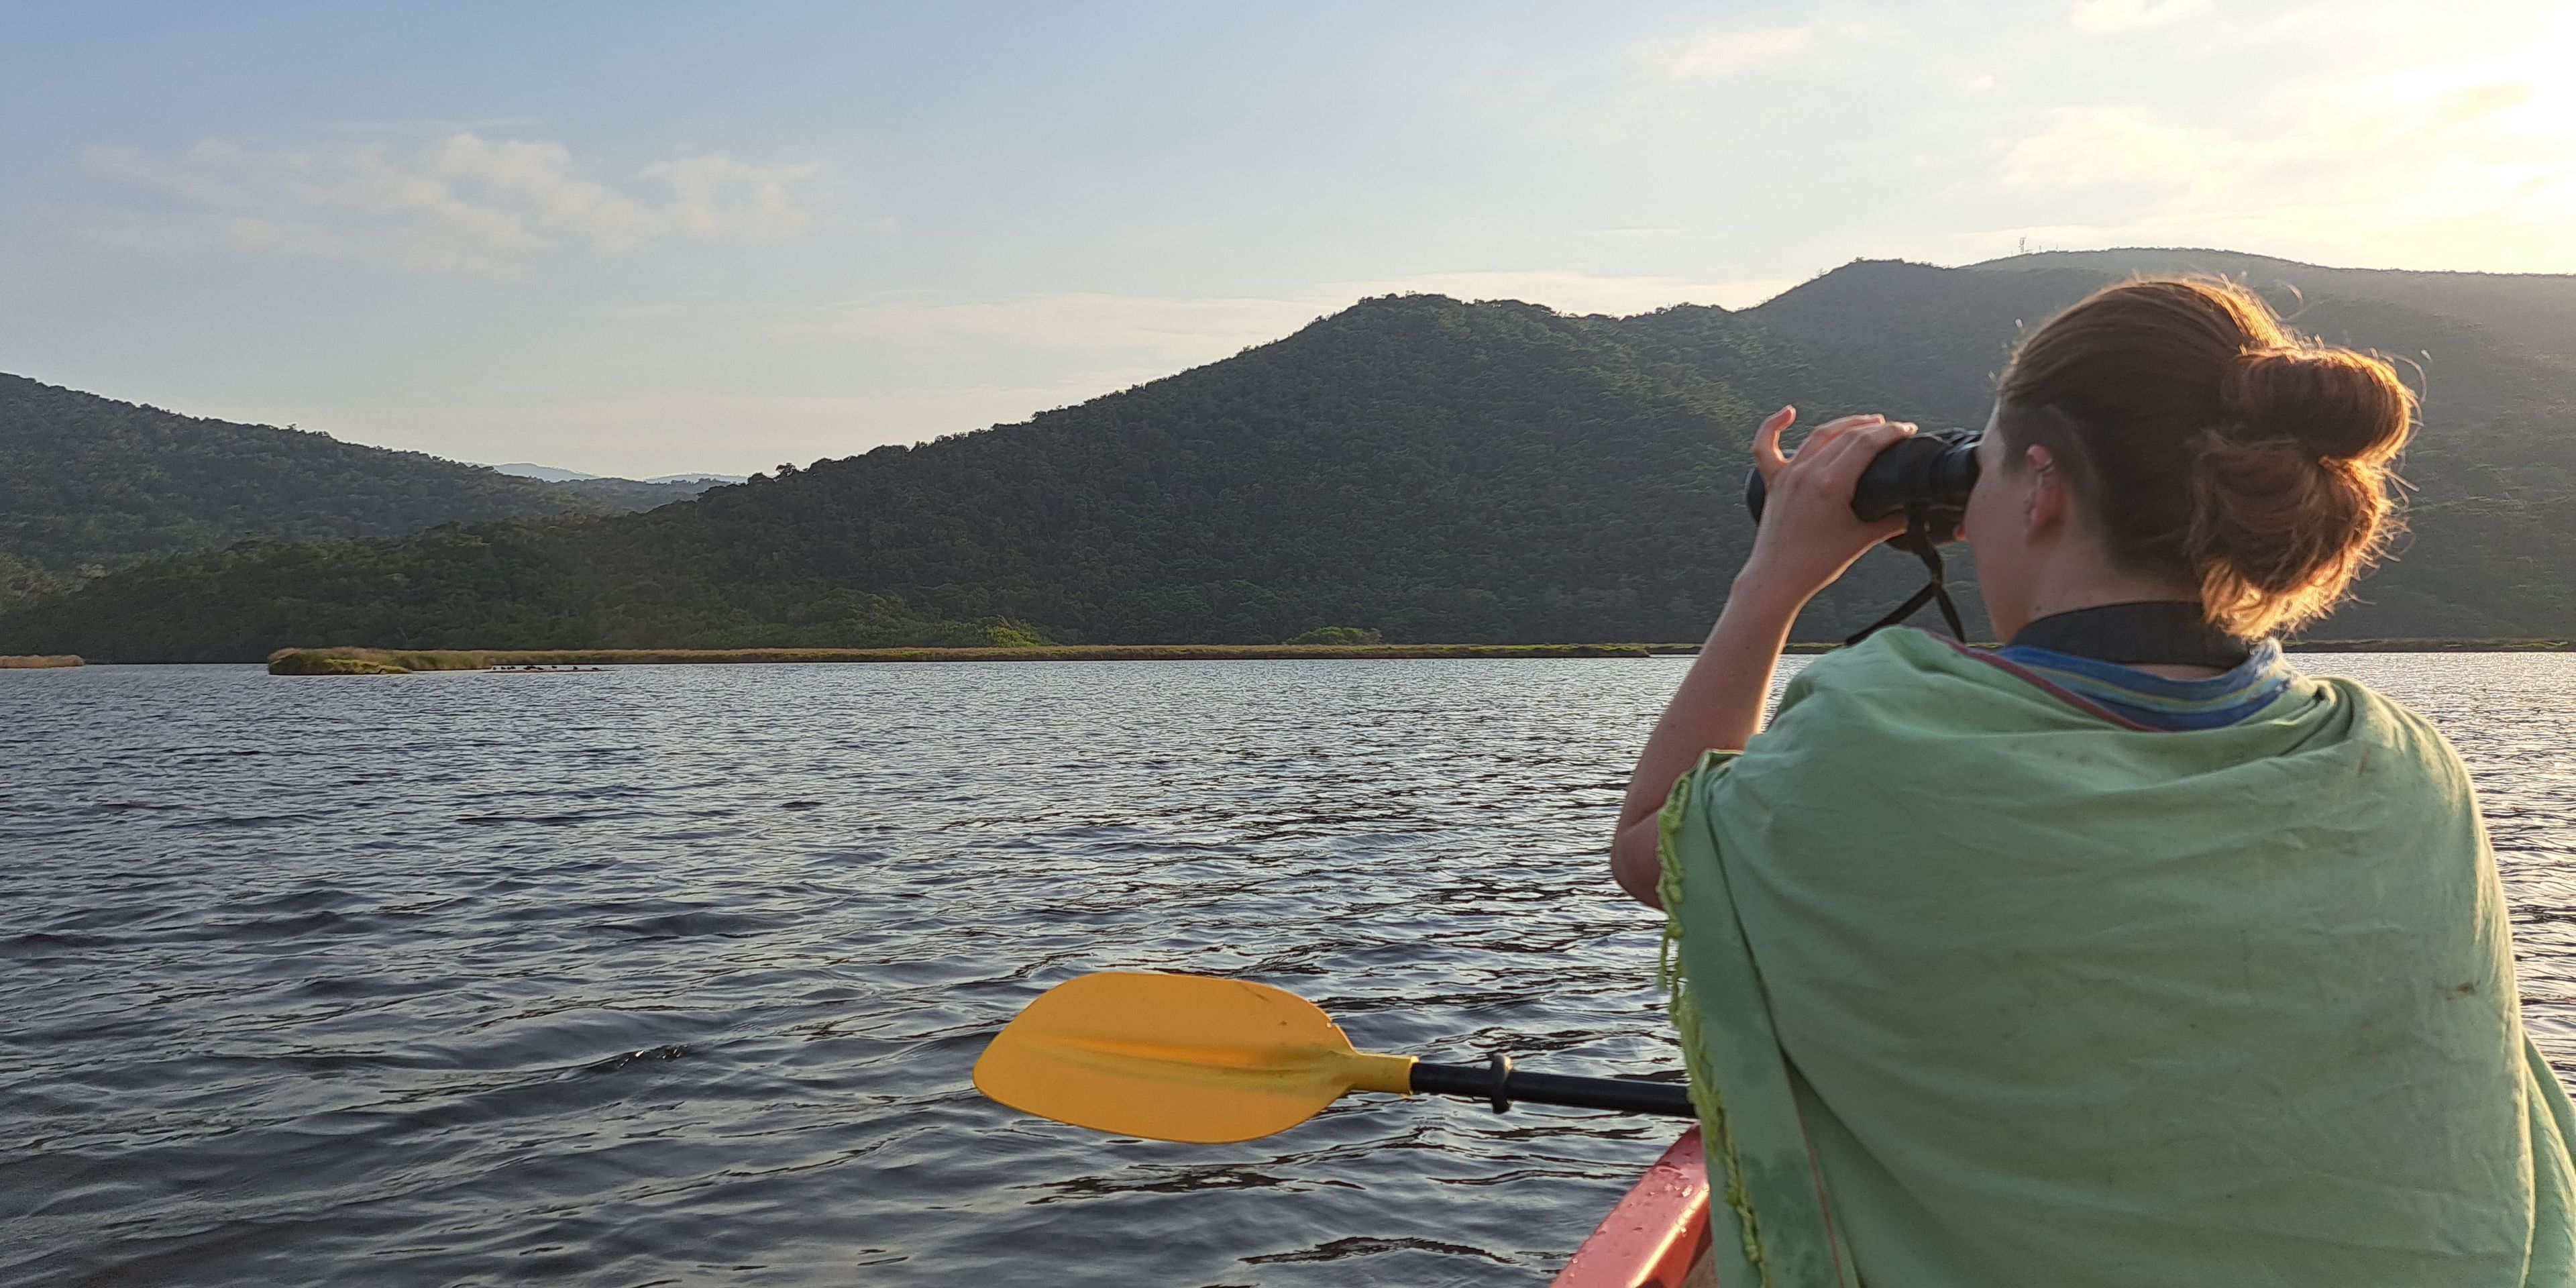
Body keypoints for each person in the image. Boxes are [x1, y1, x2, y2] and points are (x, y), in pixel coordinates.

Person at [1610, 278, 2576, 1287]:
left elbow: (1652, 843)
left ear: (2043, 486)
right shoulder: (2399, 762)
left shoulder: (1873, 740)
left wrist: (1772, 577)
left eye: (1976, 471)